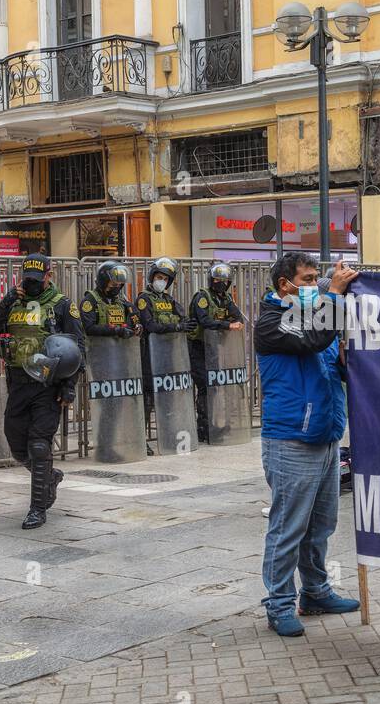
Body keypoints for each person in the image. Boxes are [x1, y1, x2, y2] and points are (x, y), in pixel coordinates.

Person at [255, 252, 360, 638]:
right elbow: (316, 338)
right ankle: (279, 604)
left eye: (319, 278)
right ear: (286, 284)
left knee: (321, 526)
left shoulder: (315, 315)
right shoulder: (271, 322)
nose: (316, 284)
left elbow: (330, 359)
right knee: (289, 527)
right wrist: (334, 292)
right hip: (291, 440)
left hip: (326, 436)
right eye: (310, 278)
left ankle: (315, 592)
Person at [0, 255, 85, 530]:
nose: (32, 283)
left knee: (39, 445)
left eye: (37, 278)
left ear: (48, 274)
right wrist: (7, 300)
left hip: (48, 385)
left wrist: (69, 387)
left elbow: (79, 349)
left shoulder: (62, 305)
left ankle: (37, 508)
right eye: (27, 279)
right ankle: (49, 477)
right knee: (16, 442)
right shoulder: (15, 302)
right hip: (18, 382)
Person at [135, 257, 195, 440]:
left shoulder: (169, 300)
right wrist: (176, 327)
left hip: (169, 356)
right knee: (147, 399)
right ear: (152, 276)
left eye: (166, 279)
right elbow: (151, 326)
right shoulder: (143, 299)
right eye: (159, 277)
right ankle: (141, 439)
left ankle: (170, 436)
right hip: (148, 355)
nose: (162, 281)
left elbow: (183, 318)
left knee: (169, 397)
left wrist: (184, 324)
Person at [188, 262, 245, 442]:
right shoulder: (202, 297)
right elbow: (205, 321)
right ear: (211, 280)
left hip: (212, 348)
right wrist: (226, 324)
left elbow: (237, 317)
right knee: (204, 385)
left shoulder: (226, 299)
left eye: (225, 280)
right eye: (218, 280)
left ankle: (212, 426)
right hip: (196, 346)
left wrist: (228, 322)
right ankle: (202, 427)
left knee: (213, 387)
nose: (221, 283)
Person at [80, 261, 139, 346]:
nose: (117, 288)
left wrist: (137, 325)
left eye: (119, 285)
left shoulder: (121, 301)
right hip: (97, 350)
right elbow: (89, 328)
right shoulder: (90, 301)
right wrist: (115, 330)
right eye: (114, 284)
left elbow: (134, 315)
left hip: (120, 350)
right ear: (103, 282)